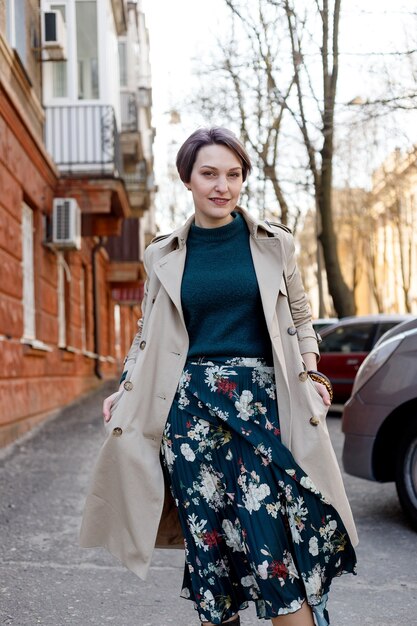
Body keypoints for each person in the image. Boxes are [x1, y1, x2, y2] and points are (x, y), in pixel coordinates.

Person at [80, 127, 357, 626]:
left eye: (233, 175)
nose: (221, 186)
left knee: (277, 552)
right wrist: (125, 387)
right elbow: (147, 332)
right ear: (187, 178)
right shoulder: (162, 254)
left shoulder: (275, 245)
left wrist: (313, 374)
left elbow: (299, 317)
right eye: (209, 174)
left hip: (261, 408)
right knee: (211, 556)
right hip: (188, 417)